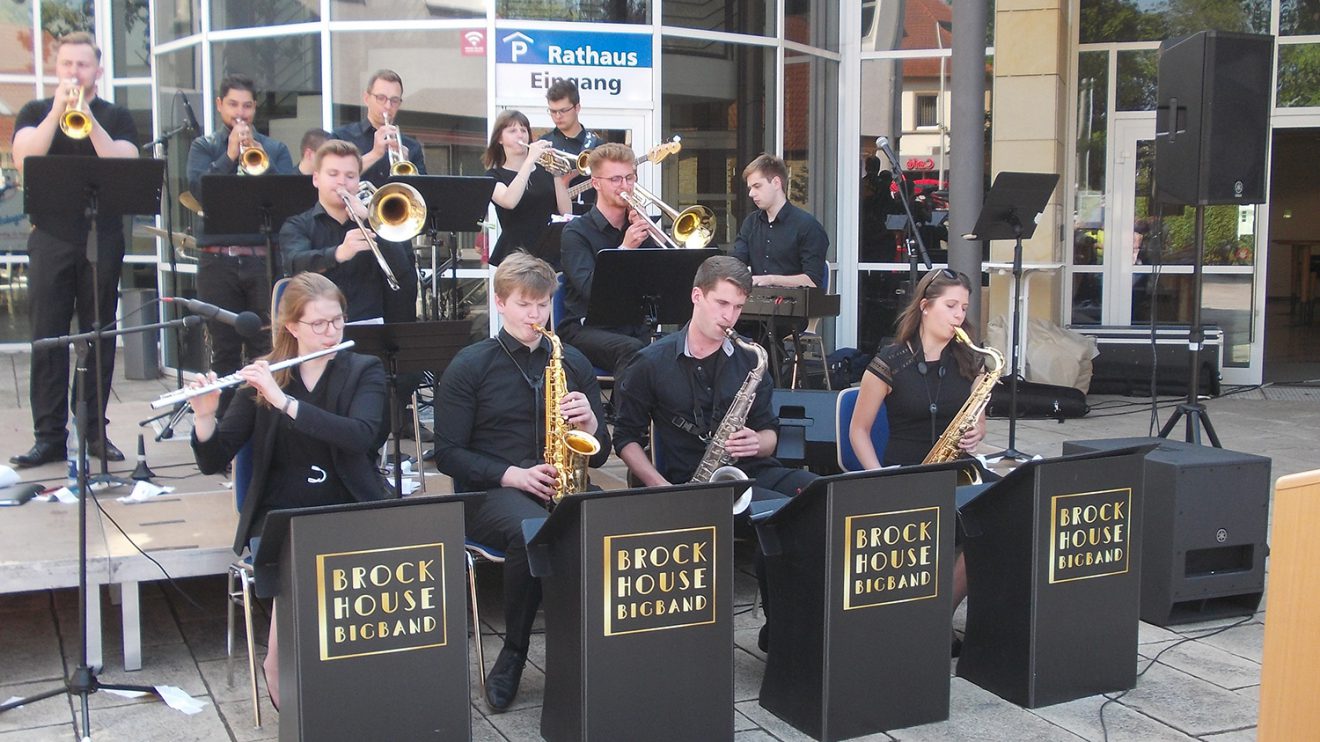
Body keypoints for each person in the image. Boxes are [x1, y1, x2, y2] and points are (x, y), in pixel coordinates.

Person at [191, 271, 391, 709]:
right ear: (292, 326)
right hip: (283, 509)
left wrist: (286, 404)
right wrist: (205, 416)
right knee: (299, 551)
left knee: (344, 550)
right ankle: (280, 660)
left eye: (337, 321)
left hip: (349, 500)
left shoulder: (363, 370)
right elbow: (212, 460)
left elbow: (361, 435)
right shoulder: (264, 378)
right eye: (318, 324)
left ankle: (354, 678)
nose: (330, 332)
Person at [433, 252, 611, 711]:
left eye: (543, 305)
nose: (535, 316)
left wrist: (591, 423)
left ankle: (601, 650)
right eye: (525, 305)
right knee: (536, 533)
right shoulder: (470, 365)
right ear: (500, 303)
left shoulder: (573, 361)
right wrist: (512, 473)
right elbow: (448, 454)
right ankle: (514, 653)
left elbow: (603, 451)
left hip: (561, 483)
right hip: (491, 491)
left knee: (615, 521)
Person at [613, 255, 816, 652]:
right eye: (723, 304)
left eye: (739, 307)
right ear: (697, 297)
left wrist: (758, 442)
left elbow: (771, 432)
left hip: (751, 471)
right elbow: (625, 438)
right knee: (778, 517)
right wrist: (658, 485)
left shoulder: (750, 359)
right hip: (690, 483)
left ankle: (785, 626)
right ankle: (780, 632)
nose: (731, 317)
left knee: (820, 494)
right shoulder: (650, 363)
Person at [9, 31, 138, 467]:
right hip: (50, 237)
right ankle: (48, 436)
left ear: (98, 72)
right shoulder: (33, 111)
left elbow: (123, 162)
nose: (74, 73)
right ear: (56, 69)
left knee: (100, 336)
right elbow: (24, 161)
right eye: (67, 65)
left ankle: (92, 431)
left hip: (102, 237)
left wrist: (87, 117)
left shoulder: (116, 116)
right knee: (47, 338)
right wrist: (58, 112)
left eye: (82, 66)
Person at [846, 267, 988, 652]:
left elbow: (978, 421)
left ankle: (938, 613)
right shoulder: (891, 360)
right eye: (951, 305)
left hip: (956, 472)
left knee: (991, 528)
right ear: (926, 307)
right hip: (903, 471)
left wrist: (977, 433)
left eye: (964, 307)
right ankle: (914, 618)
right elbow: (858, 431)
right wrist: (877, 478)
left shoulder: (971, 361)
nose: (960, 315)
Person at [186, 73, 297, 414]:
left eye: (247, 105)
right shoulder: (203, 147)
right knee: (225, 348)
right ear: (220, 106)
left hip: (261, 259)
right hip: (217, 262)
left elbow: (289, 201)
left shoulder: (274, 149)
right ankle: (224, 427)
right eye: (233, 104)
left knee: (267, 344)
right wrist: (231, 154)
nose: (241, 113)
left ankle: (264, 421)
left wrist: (258, 159)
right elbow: (201, 193)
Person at [280, 140, 415, 323]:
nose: (342, 182)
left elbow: (401, 270)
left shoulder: (377, 222)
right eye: (333, 174)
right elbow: (294, 264)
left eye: (350, 176)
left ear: (359, 180)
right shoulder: (297, 225)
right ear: (316, 179)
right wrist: (338, 253)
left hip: (371, 327)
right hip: (318, 328)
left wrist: (371, 220)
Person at [557, 142, 655, 373]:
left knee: (681, 345)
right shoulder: (576, 232)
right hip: (584, 328)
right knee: (632, 351)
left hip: (631, 327)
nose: (625, 186)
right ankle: (627, 411)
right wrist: (625, 250)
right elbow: (590, 289)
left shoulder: (638, 228)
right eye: (616, 179)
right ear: (596, 183)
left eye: (629, 178)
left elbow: (657, 283)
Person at [483, 109, 570, 267]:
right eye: (512, 130)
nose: (520, 135)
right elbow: (509, 201)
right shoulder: (493, 176)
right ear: (500, 139)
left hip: (549, 253)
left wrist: (557, 175)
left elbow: (566, 212)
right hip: (516, 255)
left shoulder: (545, 171)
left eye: (523, 130)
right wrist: (530, 161)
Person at [732, 153, 829, 290]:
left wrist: (771, 279)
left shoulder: (808, 226)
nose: (751, 193)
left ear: (776, 183)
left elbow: (812, 281)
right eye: (750, 188)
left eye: (757, 186)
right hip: (755, 306)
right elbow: (737, 263)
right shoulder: (750, 223)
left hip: (794, 308)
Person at [329, 69, 426, 184]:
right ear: (366, 98)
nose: (388, 106)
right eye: (381, 98)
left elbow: (422, 193)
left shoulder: (412, 147)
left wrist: (407, 167)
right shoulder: (341, 136)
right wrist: (375, 154)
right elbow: (334, 178)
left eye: (394, 100)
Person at [538, 79, 603, 215]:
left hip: (588, 222)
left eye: (563, 110)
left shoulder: (597, 146)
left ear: (577, 108)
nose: (557, 116)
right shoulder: (543, 144)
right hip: (549, 223)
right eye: (553, 111)